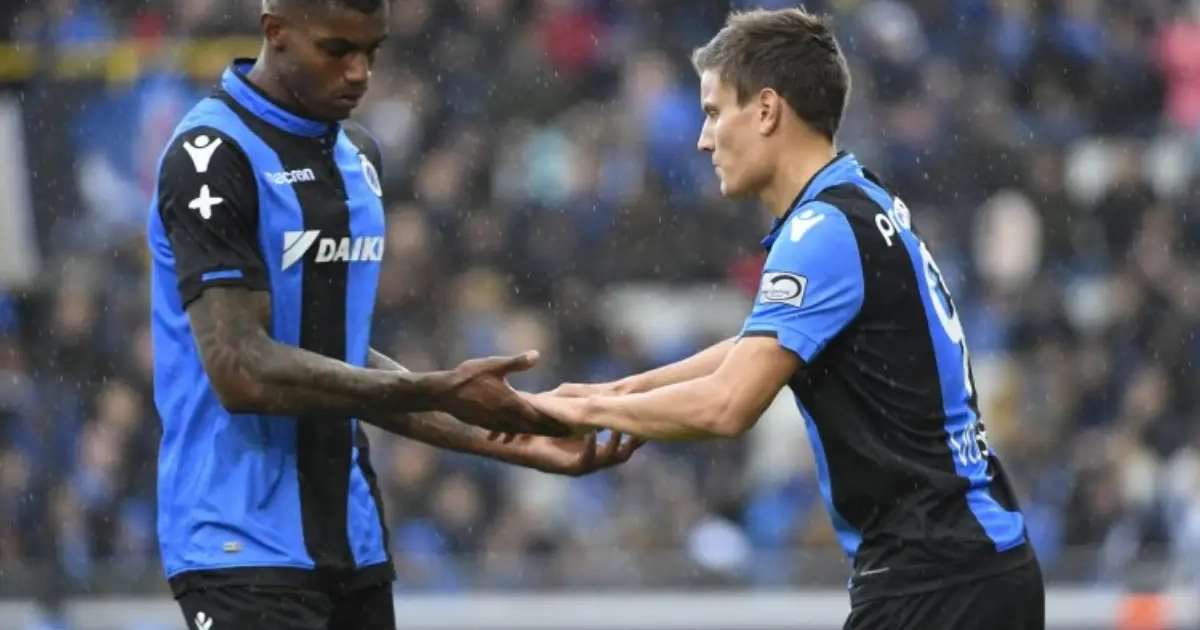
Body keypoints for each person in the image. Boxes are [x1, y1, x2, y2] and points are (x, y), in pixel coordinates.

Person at [525, 8, 1045, 630]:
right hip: (965, 568)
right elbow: (756, 347)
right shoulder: (858, 201)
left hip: (937, 577)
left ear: (767, 110)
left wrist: (580, 412)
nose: (704, 139)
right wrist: (618, 392)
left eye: (715, 112)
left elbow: (728, 405)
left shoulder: (821, 229)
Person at [147, 0, 640, 628]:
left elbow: (340, 359)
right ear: (276, 32)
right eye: (337, 50)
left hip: (354, 543)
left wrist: (519, 441)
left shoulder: (359, 155)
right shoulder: (211, 156)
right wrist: (437, 388)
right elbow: (240, 370)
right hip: (237, 544)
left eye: (371, 51)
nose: (360, 72)